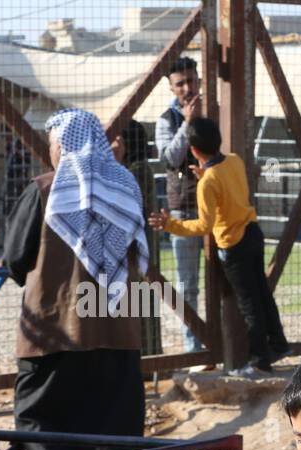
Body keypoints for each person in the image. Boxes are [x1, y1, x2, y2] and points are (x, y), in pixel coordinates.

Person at [3, 109, 149, 450]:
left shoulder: (45, 189)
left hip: (57, 329)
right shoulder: (126, 186)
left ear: (62, 145)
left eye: (51, 143)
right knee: (116, 429)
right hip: (118, 329)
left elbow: (15, 257)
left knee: (36, 417)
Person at [150, 117, 290, 377]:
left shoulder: (207, 183)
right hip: (252, 233)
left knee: (249, 304)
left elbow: (204, 225)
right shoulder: (234, 161)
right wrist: (207, 174)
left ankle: (259, 362)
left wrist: (171, 225)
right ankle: (279, 345)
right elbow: (231, 188)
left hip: (233, 246)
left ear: (193, 150)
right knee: (262, 294)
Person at [154, 56, 208, 358]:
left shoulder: (216, 112)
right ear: (172, 88)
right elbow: (169, 159)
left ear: (199, 78)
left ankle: (225, 344)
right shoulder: (166, 120)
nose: (188, 87)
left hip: (218, 210)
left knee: (224, 282)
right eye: (180, 83)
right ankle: (194, 346)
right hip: (184, 210)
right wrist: (188, 123)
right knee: (188, 285)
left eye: (191, 80)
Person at [113, 119, 160, 356]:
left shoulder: (137, 170)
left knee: (141, 301)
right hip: (139, 244)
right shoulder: (137, 168)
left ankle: (147, 357)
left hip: (139, 246)